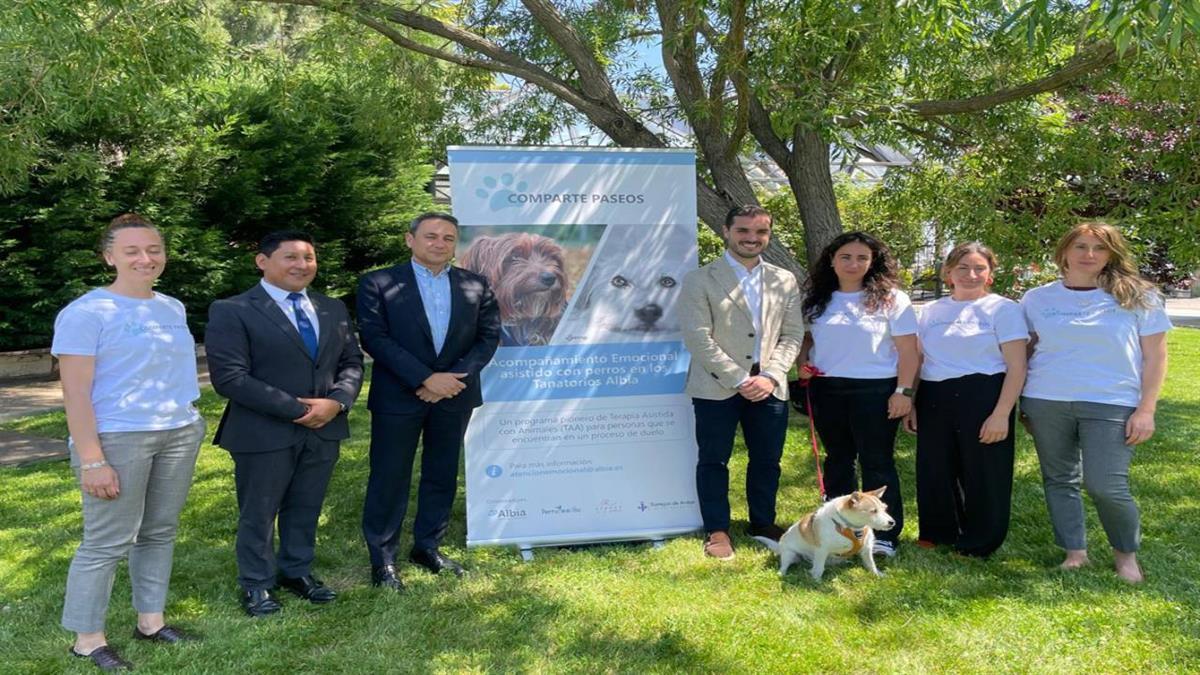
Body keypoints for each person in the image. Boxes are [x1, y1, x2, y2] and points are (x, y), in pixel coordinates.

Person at [53, 213, 206, 671]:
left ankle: (151, 622)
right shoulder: (86, 313)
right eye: (133, 251)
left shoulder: (172, 306)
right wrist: (92, 459)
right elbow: (75, 393)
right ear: (109, 257)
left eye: (154, 249)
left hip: (178, 431)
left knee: (159, 532)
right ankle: (87, 638)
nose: (146, 258)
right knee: (106, 541)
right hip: (118, 437)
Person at [204, 230, 363, 616]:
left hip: (325, 427)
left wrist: (337, 402)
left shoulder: (332, 308)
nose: (302, 265)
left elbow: (352, 363)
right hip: (262, 431)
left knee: (306, 505)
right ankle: (257, 584)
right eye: (290, 257)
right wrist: (298, 409)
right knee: (259, 510)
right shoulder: (233, 310)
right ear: (262, 261)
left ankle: (297, 571)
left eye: (308, 258)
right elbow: (230, 377)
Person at [1020, 222, 1170, 583]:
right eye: (1081, 247)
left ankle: (1126, 557)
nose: (1089, 255)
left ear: (1112, 254)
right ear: (1064, 252)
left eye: (1099, 248)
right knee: (1059, 479)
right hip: (1046, 400)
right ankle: (1075, 552)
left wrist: (1146, 409)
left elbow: (1157, 356)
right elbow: (1022, 352)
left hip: (1112, 402)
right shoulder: (1036, 299)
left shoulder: (1139, 296)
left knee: (1106, 485)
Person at [358, 212, 500, 588]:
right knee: (389, 475)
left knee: (441, 472)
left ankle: (428, 547)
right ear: (410, 239)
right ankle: (383, 558)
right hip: (399, 395)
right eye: (431, 236)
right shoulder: (378, 282)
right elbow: (374, 337)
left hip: (455, 393)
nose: (439, 244)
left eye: (448, 238)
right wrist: (425, 378)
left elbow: (488, 337)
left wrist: (450, 380)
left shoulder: (476, 284)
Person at [679, 205, 804, 561]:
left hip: (770, 387)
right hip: (716, 387)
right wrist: (739, 379)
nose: (752, 238)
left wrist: (770, 376)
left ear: (769, 234)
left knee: (767, 460)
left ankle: (763, 522)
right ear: (726, 231)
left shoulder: (784, 279)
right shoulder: (700, 279)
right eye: (743, 231)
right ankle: (717, 529)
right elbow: (698, 337)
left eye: (761, 232)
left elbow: (792, 334)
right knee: (714, 460)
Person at [796, 231, 918, 558]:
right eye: (846, 257)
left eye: (862, 258)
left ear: (873, 262)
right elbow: (807, 341)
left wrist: (903, 392)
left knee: (877, 462)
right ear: (832, 261)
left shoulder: (893, 298)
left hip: (876, 390)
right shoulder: (816, 299)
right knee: (838, 459)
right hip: (827, 389)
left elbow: (909, 351)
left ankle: (884, 537)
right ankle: (839, 531)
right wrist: (803, 362)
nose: (854, 264)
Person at [905, 242, 1028, 557]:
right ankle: (938, 531)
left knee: (984, 469)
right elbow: (918, 358)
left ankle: (980, 539)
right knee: (935, 466)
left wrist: (1002, 413)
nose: (971, 275)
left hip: (984, 393)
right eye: (963, 268)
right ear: (948, 273)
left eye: (979, 269)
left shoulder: (1004, 309)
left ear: (990, 274)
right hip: (934, 394)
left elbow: (1017, 366)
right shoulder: (931, 311)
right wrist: (911, 399)